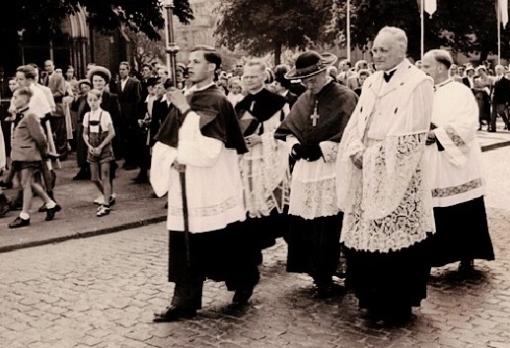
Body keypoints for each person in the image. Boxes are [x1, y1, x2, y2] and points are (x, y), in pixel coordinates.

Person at [150, 45, 259, 322]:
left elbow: (210, 150)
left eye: (196, 61)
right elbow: (167, 139)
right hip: (185, 180)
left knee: (222, 239)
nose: (189, 65)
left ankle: (243, 280)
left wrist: (185, 111)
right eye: (189, 61)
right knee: (185, 239)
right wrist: (170, 157)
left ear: (211, 67)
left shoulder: (217, 101)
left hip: (210, 184)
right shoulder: (185, 98)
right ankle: (184, 300)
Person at [336, 27, 435, 323]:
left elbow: (411, 134)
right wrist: (354, 148)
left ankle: (396, 303)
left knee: (394, 234)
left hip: (397, 170)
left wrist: (373, 157)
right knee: (366, 233)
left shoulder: (419, 82)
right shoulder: (371, 81)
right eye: (375, 50)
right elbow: (356, 122)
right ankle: (369, 297)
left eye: (384, 50)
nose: (376, 55)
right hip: (365, 165)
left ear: (401, 50)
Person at [275, 51, 358, 297]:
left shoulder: (345, 96)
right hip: (306, 170)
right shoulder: (303, 99)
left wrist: (322, 148)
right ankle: (317, 273)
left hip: (331, 169)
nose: (308, 84)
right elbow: (285, 130)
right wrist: (295, 146)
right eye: (304, 81)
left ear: (324, 72)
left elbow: (352, 133)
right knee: (307, 225)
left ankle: (340, 270)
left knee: (331, 223)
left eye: (312, 78)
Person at [421, 49, 495, 273]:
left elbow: (468, 124)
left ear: (441, 67)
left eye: (426, 66)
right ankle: (432, 256)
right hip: (432, 160)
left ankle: (467, 254)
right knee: (433, 209)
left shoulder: (460, 92)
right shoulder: (423, 93)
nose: (422, 71)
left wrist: (437, 134)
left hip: (457, 164)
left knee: (463, 207)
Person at [236, 59, 291, 251]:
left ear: (263, 77)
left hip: (269, 158)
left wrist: (263, 139)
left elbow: (286, 131)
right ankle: (253, 249)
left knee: (274, 202)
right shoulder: (241, 103)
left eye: (253, 76)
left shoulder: (277, 102)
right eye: (246, 77)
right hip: (248, 160)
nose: (249, 80)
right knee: (249, 202)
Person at [8, 87, 61, 228]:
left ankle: (24, 215)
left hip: (29, 156)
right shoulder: (21, 115)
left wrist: (44, 153)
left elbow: (40, 137)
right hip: (22, 156)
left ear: (25, 99)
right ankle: (50, 204)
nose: (14, 100)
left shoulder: (30, 115)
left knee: (26, 184)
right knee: (29, 183)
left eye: (16, 97)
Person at [87, 66, 121, 206]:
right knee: (95, 171)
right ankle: (105, 194)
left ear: (105, 82)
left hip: (108, 136)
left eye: (100, 81)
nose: (98, 84)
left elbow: (117, 117)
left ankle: (109, 194)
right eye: (95, 81)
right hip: (94, 137)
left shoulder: (111, 97)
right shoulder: (89, 97)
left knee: (108, 168)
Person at [82, 89, 116, 217]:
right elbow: (84, 134)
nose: (92, 103)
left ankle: (106, 205)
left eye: (95, 100)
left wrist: (101, 147)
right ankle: (108, 196)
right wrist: (90, 146)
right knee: (94, 178)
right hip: (92, 149)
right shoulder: (87, 116)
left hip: (105, 149)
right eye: (90, 100)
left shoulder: (105, 114)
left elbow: (112, 133)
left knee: (105, 176)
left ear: (100, 100)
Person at [110, 62, 142, 169]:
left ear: (128, 70)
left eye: (124, 69)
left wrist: (136, 116)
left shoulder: (134, 82)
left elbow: (137, 100)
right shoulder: (117, 84)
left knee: (132, 137)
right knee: (123, 137)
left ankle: (134, 161)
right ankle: (127, 160)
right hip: (121, 114)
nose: (122, 71)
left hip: (131, 114)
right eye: (120, 69)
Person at [134, 77, 160, 184]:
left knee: (155, 152)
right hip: (146, 129)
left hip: (156, 128)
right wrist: (140, 120)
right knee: (143, 150)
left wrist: (151, 121)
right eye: (149, 87)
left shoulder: (158, 100)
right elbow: (140, 112)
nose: (151, 89)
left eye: (153, 87)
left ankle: (157, 176)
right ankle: (143, 173)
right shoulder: (145, 99)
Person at [71, 80, 93, 180]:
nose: (84, 89)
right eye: (82, 88)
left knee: (86, 147)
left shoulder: (92, 98)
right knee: (80, 148)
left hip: (88, 125)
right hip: (80, 124)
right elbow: (74, 108)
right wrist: (75, 99)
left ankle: (89, 169)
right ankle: (83, 168)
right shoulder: (80, 98)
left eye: (86, 87)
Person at [489, 66, 510, 132]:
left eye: (499, 69)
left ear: (503, 71)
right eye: (496, 69)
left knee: (501, 112)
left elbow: (508, 92)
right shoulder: (493, 79)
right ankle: (493, 128)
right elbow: (491, 89)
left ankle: (508, 124)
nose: (497, 71)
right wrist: (490, 97)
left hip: (502, 99)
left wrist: (507, 101)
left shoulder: (506, 81)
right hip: (494, 98)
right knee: (493, 113)